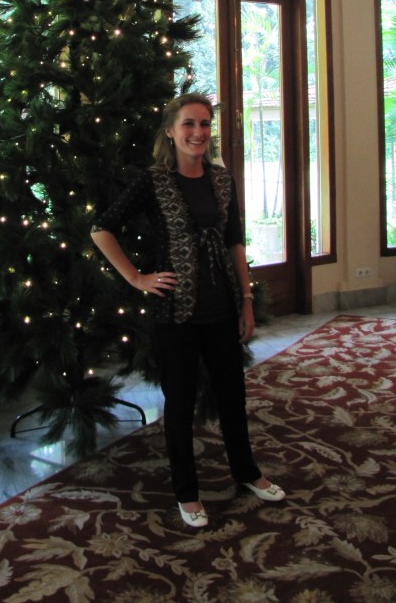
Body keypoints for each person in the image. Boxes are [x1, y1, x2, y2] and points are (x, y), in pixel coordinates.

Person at [91, 92, 285, 527]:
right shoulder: (154, 181)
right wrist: (138, 278)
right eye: (189, 125)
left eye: (204, 124)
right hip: (174, 313)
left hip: (221, 308)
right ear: (171, 132)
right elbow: (101, 228)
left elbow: (235, 240)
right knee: (178, 403)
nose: (198, 133)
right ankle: (187, 491)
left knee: (232, 396)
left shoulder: (221, 180)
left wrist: (247, 300)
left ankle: (247, 471)